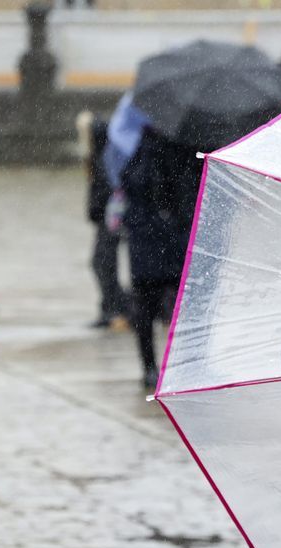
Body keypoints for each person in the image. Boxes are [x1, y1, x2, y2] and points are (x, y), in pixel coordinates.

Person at [121, 127, 202, 389]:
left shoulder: (139, 149)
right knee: (173, 306)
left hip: (155, 241)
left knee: (156, 306)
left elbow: (130, 185)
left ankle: (156, 366)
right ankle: (172, 366)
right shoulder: (186, 148)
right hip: (164, 240)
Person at [76, 111, 130, 331]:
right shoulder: (100, 156)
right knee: (101, 263)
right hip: (105, 220)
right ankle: (113, 308)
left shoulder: (104, 157)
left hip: (110, 220)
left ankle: (116, 309)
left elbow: (107, 191)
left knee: (102, 263)